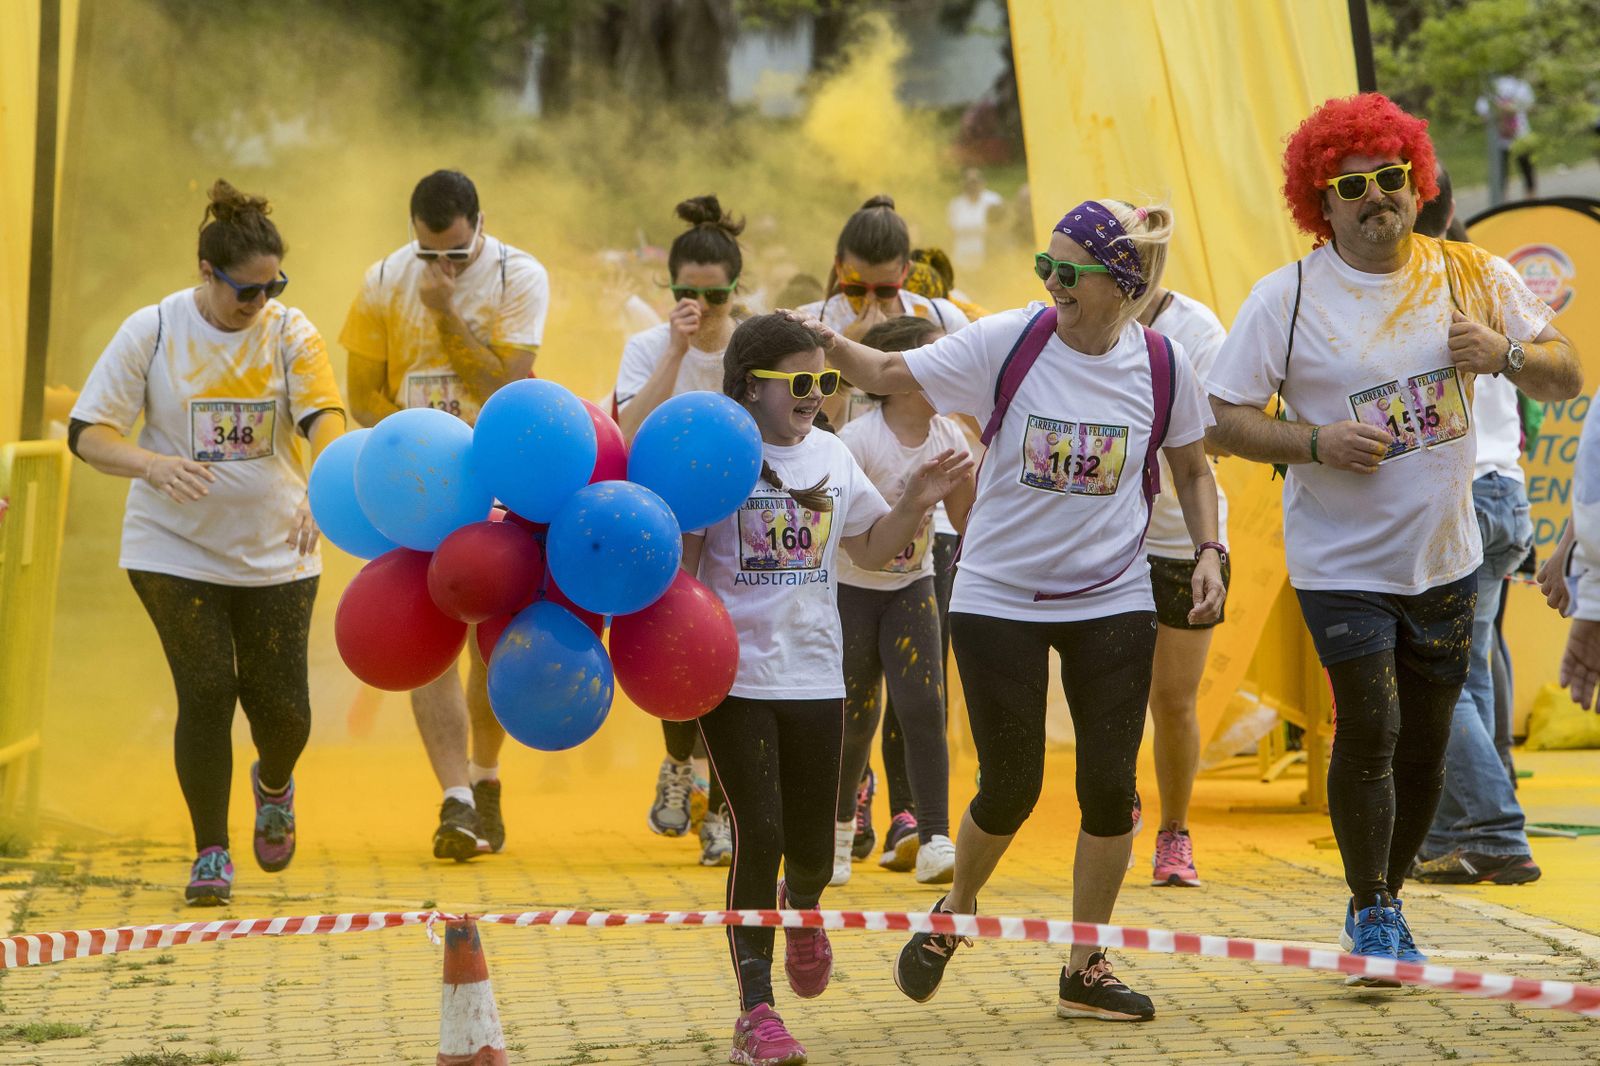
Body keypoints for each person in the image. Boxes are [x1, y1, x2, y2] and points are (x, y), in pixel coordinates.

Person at [795, 197, 1226, 1022]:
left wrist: (1209, 550)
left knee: (1109, 789)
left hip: (1114, 597)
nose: (1052, 283)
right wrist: (825, 343)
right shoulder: (1013, 341)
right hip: (998, 595)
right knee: (1012, 785)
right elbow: (888, 374)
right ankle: (955, 911)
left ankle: (1085, 965)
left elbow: (1195, 470)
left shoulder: (1165, 365)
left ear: (1121, 282)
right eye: (1045, 266)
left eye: (1070, 270)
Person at [1206, 94, 1579, 980]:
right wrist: (1315, 443)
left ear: (1418, 183)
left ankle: (1388, 891)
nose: (1378, 198)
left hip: (1445, 554)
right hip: (1340, 560)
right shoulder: (1287, 296)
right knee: (1368, 728)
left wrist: (1507, 355)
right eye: (1354, 186)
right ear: (1321, 203)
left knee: (1423, 741)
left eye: (1393, 179)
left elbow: (1567, 371)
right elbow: (1223, 419)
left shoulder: (1472, 273)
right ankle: (1372, 910)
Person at [687, 314, 971, 1063]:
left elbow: (874, 550)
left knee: (812, 853)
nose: (817, 396)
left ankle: (802, 908)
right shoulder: (715, 457)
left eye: (825, 382)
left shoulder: (834, 456)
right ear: (752, 385)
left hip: (815, 674)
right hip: (735, 678)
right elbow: (680, 573)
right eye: (800, 383)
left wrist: (917, 498)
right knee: (764, 833)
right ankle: (757, 1013)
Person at [69, 179, 345, 904]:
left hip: (277, 548)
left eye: (271, 287)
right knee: (206, 690)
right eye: (244, 292)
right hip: (173, 550)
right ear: (205, 271)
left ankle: (275, 783)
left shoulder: (292, 333)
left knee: (283, 710)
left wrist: (325, 486)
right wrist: (152, 464)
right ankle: (211, 852)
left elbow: (324, 422)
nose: (258, 303)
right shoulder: (153, 330)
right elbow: (88, 434)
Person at [340, 169, 549, 861]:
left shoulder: (522, 276)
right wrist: (411, 443)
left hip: (500, 481)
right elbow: (363, 395)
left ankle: (487, 778)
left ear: (479, 227)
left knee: (492, 642)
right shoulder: (380, 280)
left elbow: (510, 388)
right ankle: (455, 798)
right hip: (416, 490)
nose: (441, 268)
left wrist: (445, 313)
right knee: (426, 633)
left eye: (456, 255)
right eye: (429, 255)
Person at [798, 195, 972, 861]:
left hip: (923, 558)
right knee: (855, 703)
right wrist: (859, 348)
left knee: (921, 696)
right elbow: (820, 428)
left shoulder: (942, 322)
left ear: (909, 268)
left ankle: (922, 824)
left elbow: (971, 405)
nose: (868, 295)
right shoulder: (821, 326)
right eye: (854, 284)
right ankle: (845, 820)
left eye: (885, 285)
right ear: (837, 268)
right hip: (849, 549)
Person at [1409, 166, 1542, 885]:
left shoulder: (1407, 285)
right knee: (1476, 668)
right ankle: (1462, 831)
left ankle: (1493, 829)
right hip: (1506, 493)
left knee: (1444, 679)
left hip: (1460, 494)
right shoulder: (1485, 278)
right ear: (1456, 206)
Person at [612, 193, 744, 866]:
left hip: (739, 527)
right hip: (665, 524)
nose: (699, 308)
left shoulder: (753, 346)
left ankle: (723, 807)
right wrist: (674, 349)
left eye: (713, 298)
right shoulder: (647, 347)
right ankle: (675, 767)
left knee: (730, 664)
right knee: (678, 650)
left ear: (735, 292)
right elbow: (623, 430)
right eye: (684, 294)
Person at [832, 316, 975, 887]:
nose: (954, 371)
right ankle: (839, 835)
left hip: (913, 588)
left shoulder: (949, 437)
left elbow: (966, 520)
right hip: (851, 593)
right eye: (940, 360)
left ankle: (936, 837)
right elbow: (843, 535)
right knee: (852, 719)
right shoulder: (857, 442)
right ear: (900, 375)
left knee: (924, 710)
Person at [1135, 281, 1230, 888]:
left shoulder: (1196, 331)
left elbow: (1219, 435)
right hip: (1105, 542)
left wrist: (1208, 551)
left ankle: (1174, 832)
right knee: (1110, 697)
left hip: (1179, 540)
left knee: (1172, 700)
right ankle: (1115, 810)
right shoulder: (1073, 319)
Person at [1477, 75, 1537, 202]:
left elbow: (1528, 106)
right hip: (1501, 137)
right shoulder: (1491, 85)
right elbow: (1482, 111)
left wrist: (1504, 108)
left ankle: (1530, 195)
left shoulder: (1519, 84)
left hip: (1520, 134)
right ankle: (1503, 197)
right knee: (1502, 169)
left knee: (1525, 164)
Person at [947, 167, 1005, 273]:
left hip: (987, 259)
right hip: (961, 259)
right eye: (968, 182)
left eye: (975, 182)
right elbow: (951, 232)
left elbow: (1000, 228)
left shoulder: (993, 201)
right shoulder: (956, 205)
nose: (972, 186)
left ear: (982, 182)